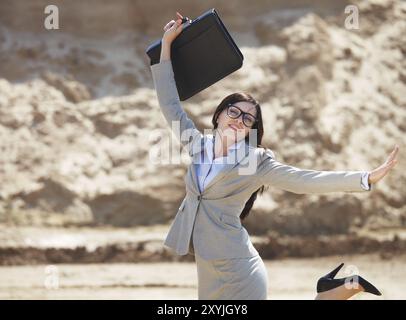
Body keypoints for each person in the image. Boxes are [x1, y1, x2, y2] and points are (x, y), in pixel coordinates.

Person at [150, 12, 399, 300]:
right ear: (218, 115)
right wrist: (167, 45)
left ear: (249, 131)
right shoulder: (197, 146)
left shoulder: (254, 161)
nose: (239, 120)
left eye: (247, 119)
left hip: (240, 268)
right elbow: (170, 105)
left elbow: (304, 180)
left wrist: (365, 178)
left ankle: (341, 289)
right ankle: (336, 290)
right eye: (234, 112)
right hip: (208, 270)